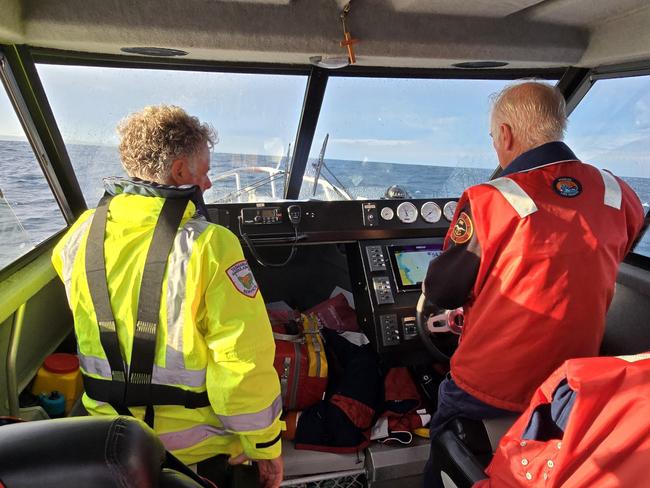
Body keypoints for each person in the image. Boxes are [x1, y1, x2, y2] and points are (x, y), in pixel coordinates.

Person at [421, 81, 645, 486]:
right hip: (568, 391)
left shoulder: (490, 200)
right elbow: (611, 252)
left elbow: (442, 293)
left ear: (505, 134)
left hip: (485, 389)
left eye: (493, 137)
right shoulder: (620, 192)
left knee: (442, 444)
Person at [52, 105, 283, 488]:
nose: (207, 183)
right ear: (179, 171)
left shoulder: (77, 236)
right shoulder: (211, 245)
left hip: (105, 436)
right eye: (204, 171)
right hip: (192, 452)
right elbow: (241, 363)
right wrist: (265, 447)